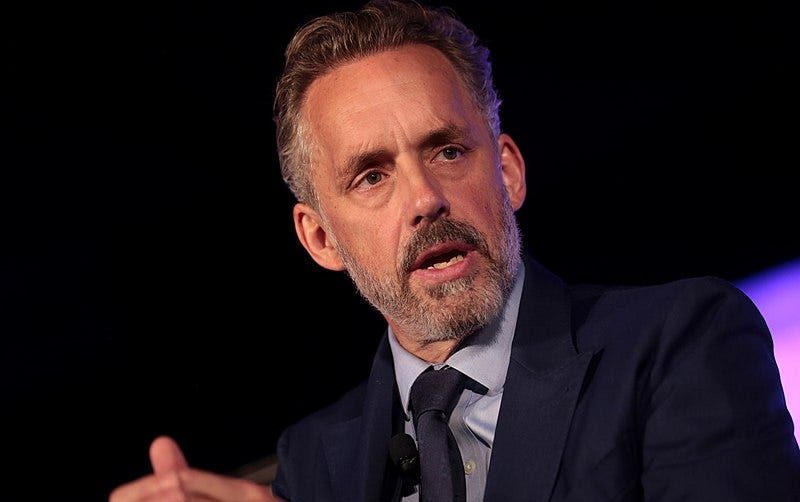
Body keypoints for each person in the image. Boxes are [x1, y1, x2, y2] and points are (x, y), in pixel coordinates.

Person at [110, 0, 800, 500]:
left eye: (446, 150)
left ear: (508, 171)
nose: (424, 198)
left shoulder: (681, 344)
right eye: (372, 176)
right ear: (320, 238)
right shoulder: (316, 465)